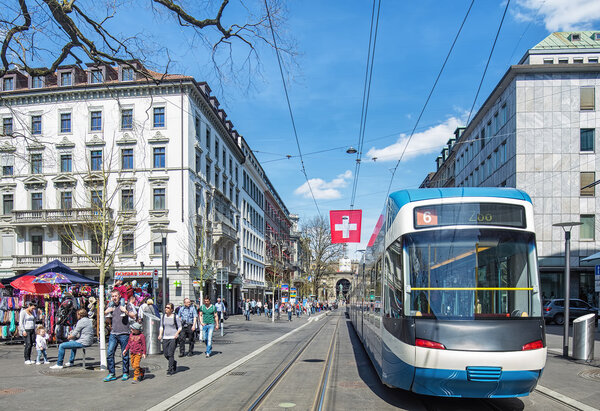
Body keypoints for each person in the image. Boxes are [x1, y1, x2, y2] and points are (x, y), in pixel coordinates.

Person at [103, 290, 137, 382]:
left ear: (119, 296)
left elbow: (134, 316)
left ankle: (125, 373)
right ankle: (111, 373)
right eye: (113, 296)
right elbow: (107, 319)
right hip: (113, 333)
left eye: (116, 296)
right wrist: (106, 313)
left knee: (124, 354)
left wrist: (125, 311)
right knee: (110, 353)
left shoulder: (126, 305)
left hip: (124, 334)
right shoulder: (111, 305)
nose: (114, 298)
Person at [158, 303, 181, 376]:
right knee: (165, 354)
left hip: (173, 337)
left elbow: (180, 327)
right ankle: (173, 362)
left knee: (170, 353)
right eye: (165, 307)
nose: (166, 309)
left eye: (168, 308)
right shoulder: (163, 316)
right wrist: (160, 334)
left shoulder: (175, 317)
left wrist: (177, 333)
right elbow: (161, 326)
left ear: (172, 309)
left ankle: (170, 369)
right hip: (165, 337)